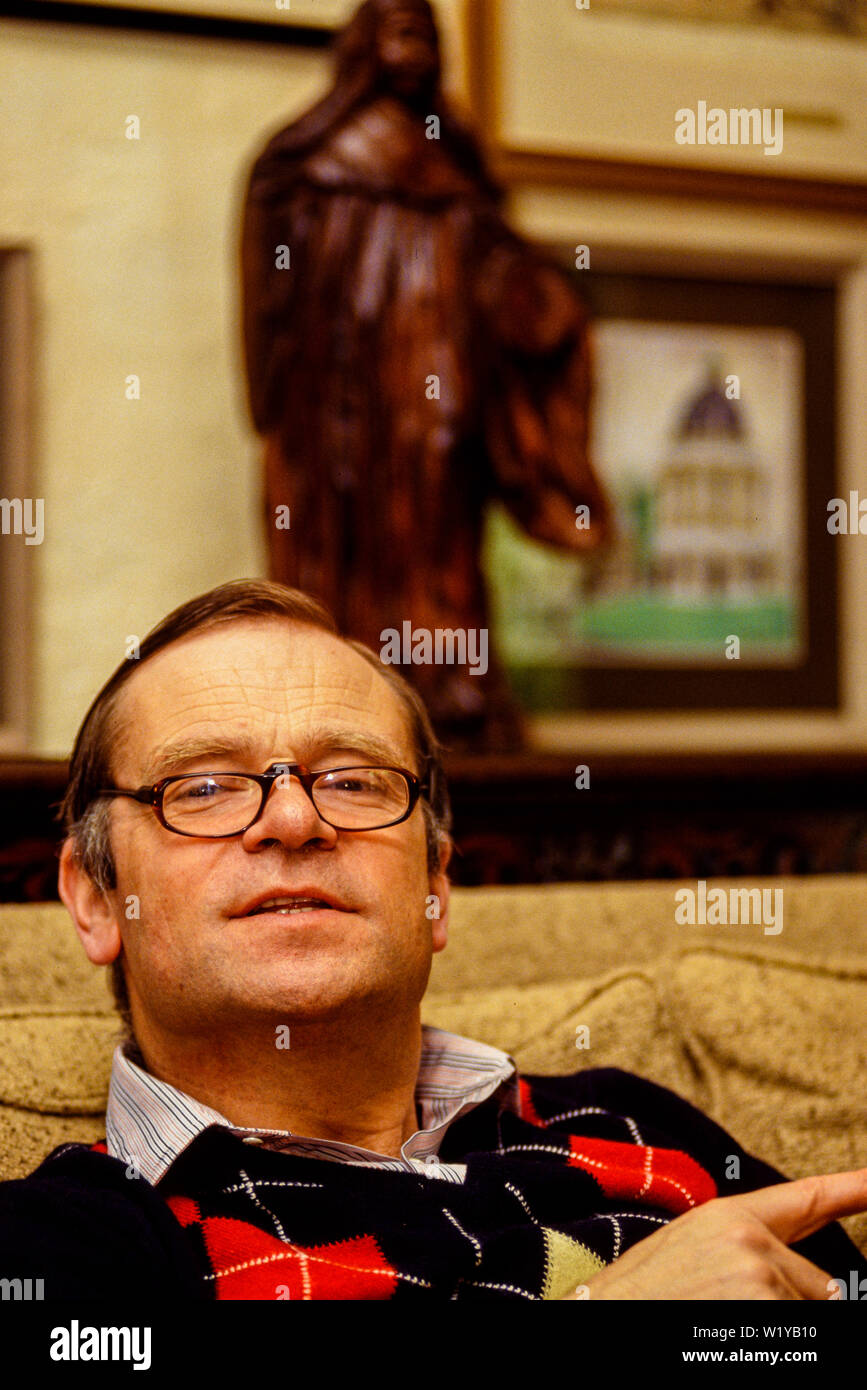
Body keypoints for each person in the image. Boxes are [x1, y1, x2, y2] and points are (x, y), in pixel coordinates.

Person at [1, 578, 865, 1300]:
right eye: (204, 787)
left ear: (435, 886)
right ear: (94, 899)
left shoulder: (631, 1122)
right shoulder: (70, 1244)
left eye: (353, 778)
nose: (296, 819)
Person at [241, 0, 611, 747]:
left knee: (438, 530)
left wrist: (536, 304)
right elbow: (269, 285)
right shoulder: (308, 162)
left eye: (428, 36)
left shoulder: (455, 166)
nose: (415, 50)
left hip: (438, 389)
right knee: (342, 531)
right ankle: (340, 692)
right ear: (363, 47)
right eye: (399, 32)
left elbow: (496, 262)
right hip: (340, 399)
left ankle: (450, 686)